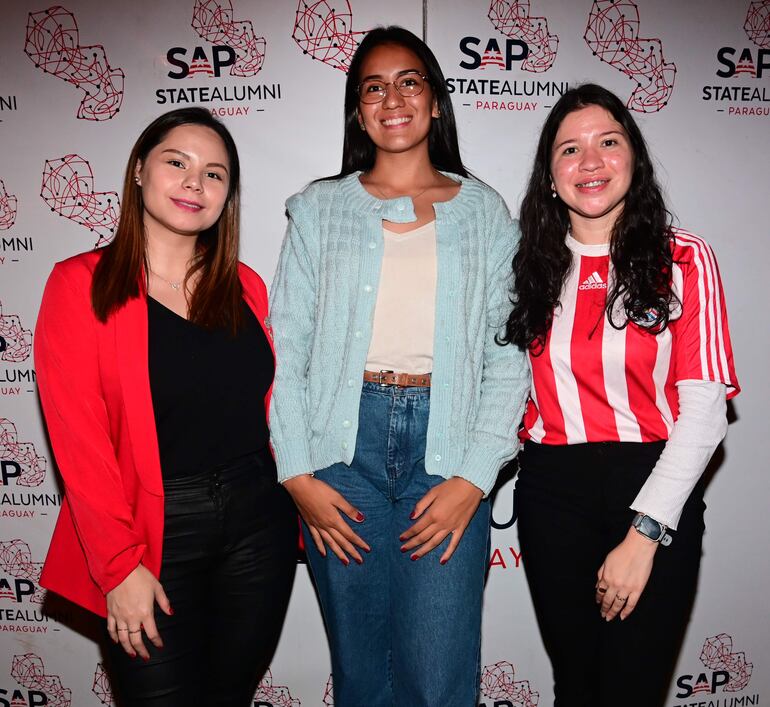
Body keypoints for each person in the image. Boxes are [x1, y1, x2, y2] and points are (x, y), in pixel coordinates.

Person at [268, 25, 529, 707]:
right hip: (339, 453)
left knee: (437, 678)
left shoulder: (485, 213)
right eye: (372, 87)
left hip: (446, 452)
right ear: (358, 110)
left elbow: (508, 357)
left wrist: (475, 475)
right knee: (362, 674)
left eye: (409, 80)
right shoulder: (320, 208)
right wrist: (296, 471)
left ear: (436, 100)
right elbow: (286, 346)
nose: (392, 98)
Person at [35, 107, 297, 707]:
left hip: (260, 524)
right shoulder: (81, 284)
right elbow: (81, 443)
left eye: (215, 173)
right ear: (137, 171)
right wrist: (120, 568)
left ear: (227, 195)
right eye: (176, 162)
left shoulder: (246, 285)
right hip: (152, 533)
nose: (194, 183)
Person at [501, 84, 739, 706]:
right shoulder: (526, 266)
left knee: (633, 691)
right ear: (549, 177)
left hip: (654, 480)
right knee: (576, 688)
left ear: (633, 156)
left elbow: (706, 414)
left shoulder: (683, 259)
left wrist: (644, 534)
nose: (591, 162)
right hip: (551, 492)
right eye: (569, 150)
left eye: (608, 142)